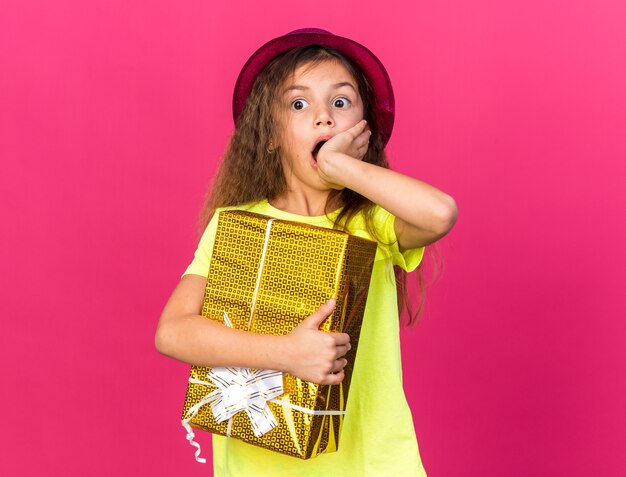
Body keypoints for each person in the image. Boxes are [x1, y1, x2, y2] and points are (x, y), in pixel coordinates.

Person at [156, 28, 457, 477]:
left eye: (341, 102)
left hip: (371, 464)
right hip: (259, 466)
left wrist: (340, 166)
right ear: (270, 134)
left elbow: (440, 213)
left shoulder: (371, 223)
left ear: (364, 129)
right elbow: (173, 332)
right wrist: (288, 354)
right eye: (299, 104)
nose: (324, 118)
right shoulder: (237, 224)